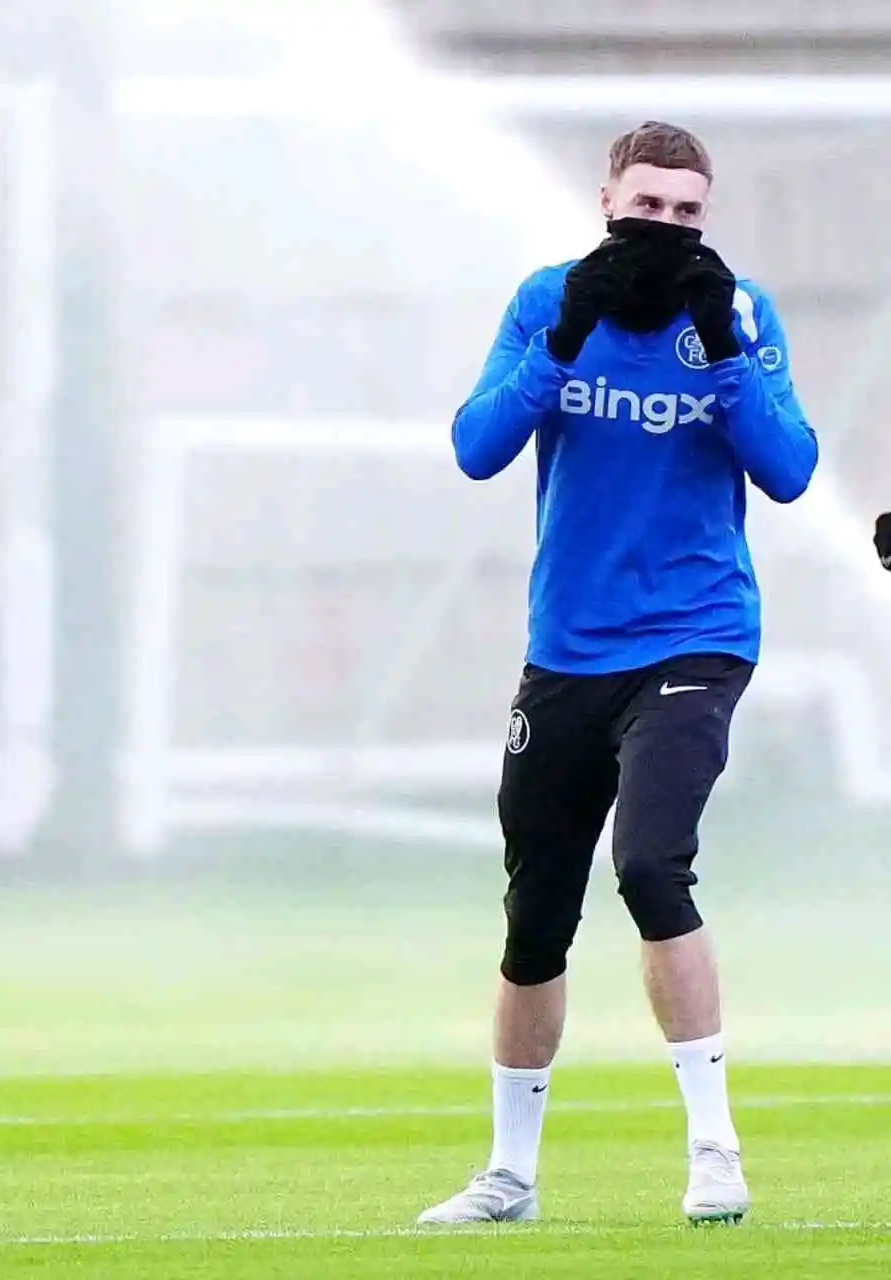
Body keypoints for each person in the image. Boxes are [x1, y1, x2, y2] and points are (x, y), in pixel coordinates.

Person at [417, 121, 818, 1228]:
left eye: (687, 212)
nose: (666, 227)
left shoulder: (737, 313)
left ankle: (714, 1150)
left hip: (695, 635)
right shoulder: (548, 299)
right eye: (648, 206)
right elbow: (475, 447)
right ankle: (508, 1175)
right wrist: (562, 341)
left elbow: (789, 469)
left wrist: (723, 353)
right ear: (606, 202)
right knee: (536, 908)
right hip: (567, 647)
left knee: (648, 864)